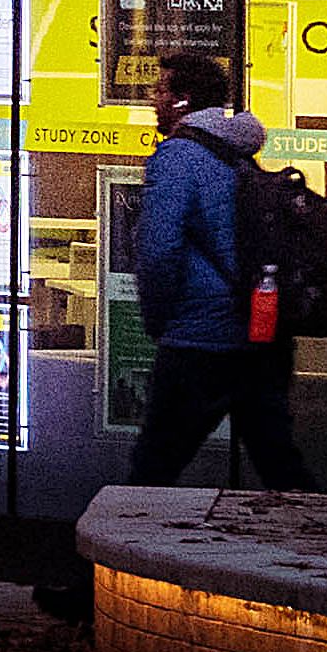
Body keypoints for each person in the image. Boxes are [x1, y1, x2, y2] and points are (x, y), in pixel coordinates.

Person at [127, 52, 310, 491]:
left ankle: (130, 539)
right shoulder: (239, 154)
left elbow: (159, 250)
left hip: (198, 341)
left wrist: (158, 321)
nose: (153, 99)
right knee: (279, 465)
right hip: (259, 339)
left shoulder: (178, 156)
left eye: (161, 90)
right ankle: (319, 532)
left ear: (183, 100)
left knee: (151, 472)